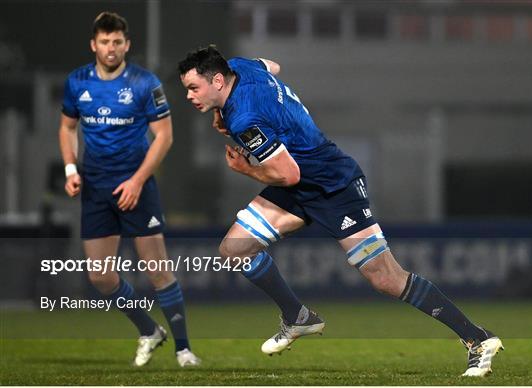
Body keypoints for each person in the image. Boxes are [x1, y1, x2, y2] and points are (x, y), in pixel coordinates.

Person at [177, 45, 503, 377]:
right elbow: (273, 65)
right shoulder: (240, 67)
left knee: (386, 279)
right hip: (300, 189)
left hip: (333, 187)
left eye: (193, 88)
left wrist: (247, 170)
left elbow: (288, 174)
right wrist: (222, 112)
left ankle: (478, 338)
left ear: (218, 80)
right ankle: (298, 317)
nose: (189, 95)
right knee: (235, 249)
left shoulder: (246, 118)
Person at [59, 11, 200, 367]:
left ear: (127, 44)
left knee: (158, 270)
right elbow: (66, 128)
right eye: (104, 42)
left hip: (138, 186)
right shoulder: (77, 82)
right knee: (100, 277)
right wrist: (71, 168)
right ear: (94, 44)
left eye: (117, 42)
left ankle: (183, 349)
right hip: (95, 187)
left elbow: (164, 136)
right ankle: (149, 330)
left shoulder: (144, 83)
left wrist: (137, 180)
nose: (110, 48)